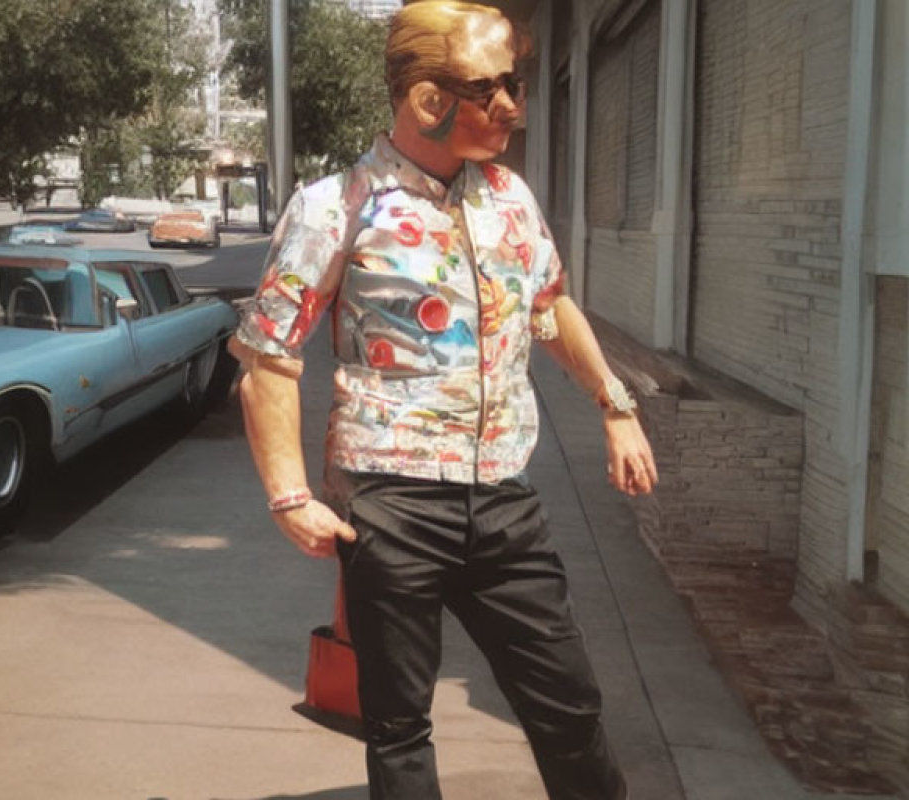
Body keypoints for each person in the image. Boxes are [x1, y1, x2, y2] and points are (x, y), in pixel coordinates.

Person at [228, 2, 657, 798]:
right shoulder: (338, 207)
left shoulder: (509, 199)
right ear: (429, 98)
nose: (512, 107)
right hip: (390, 506)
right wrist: (289, 495)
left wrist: (614, 401)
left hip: (502, 501)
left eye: (516, 85)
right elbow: (268, 355)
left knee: (569, 706)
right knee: (398, 726)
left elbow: (548, 306)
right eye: (491, 89)